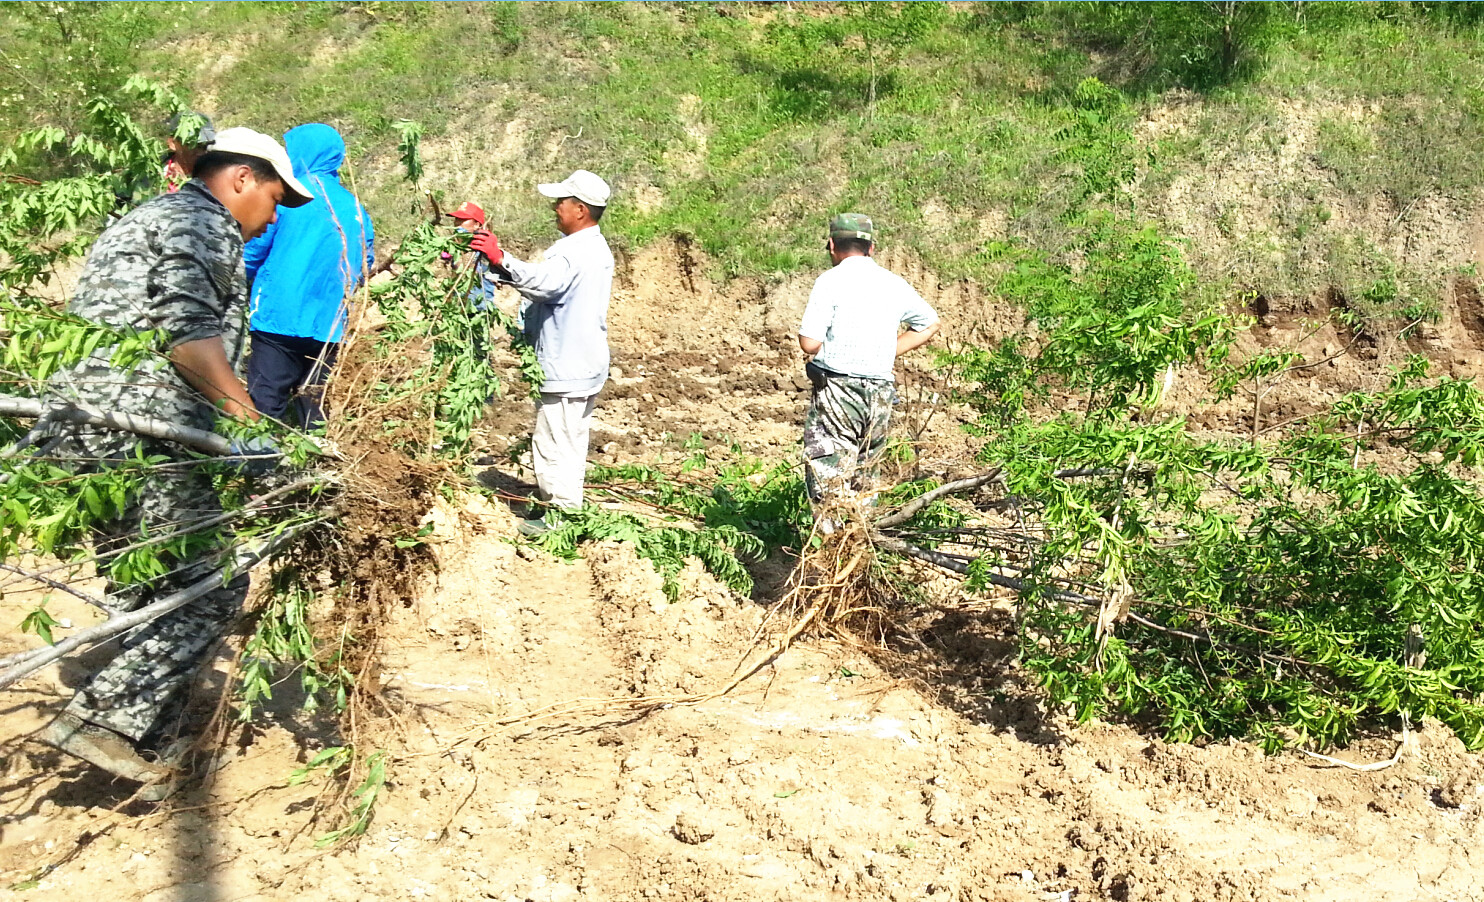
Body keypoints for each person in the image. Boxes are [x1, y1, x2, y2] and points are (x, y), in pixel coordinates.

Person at [36, 128, 312, 793]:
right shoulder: (202, 221)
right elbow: (188, 340)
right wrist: (252, 431)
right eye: (274, 200)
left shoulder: (152, 215)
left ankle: (150, 736)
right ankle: (105, 722)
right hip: (139, 432)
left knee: (151, 583)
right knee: (210, 589)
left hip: (88, 426)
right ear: (241, 179)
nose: (272, 217)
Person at [468, 170, 614, 536]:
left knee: (553, 445)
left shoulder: (576, 253)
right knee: (569, 441)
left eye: (561, 202)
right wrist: (504, 270)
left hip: (568, 364)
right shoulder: (593, 248)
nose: (555, 208)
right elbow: (550, 286)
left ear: (580, 210)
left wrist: (500, 257)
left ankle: (560, 519)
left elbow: (546, 283)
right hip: (582, 363)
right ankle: (567, 508)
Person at [797, 213, 940, 524]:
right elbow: (928, 323)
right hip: (880, 394)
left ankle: (829, 550)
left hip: (837, 391)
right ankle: (861, 540)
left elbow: (809, 343)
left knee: (829, 475)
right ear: (871, 248)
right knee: (866, 473)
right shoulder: (893, 283)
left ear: (832, 245)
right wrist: (887, 352)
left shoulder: (829, 281)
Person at [243, 123, 374, 429]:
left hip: (279, 318)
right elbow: (365, 265)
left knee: (264, 402)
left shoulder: (289, 196)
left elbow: (253, 250)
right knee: (315, 407)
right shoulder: (356, 209)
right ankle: (315, 467)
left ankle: (257, 464)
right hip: (330, 325)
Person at [161, 111, 215, 193]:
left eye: (205, 145)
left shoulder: (216, 178)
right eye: (192, 145)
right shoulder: (153, 176)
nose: (201, 152)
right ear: (173, 144)